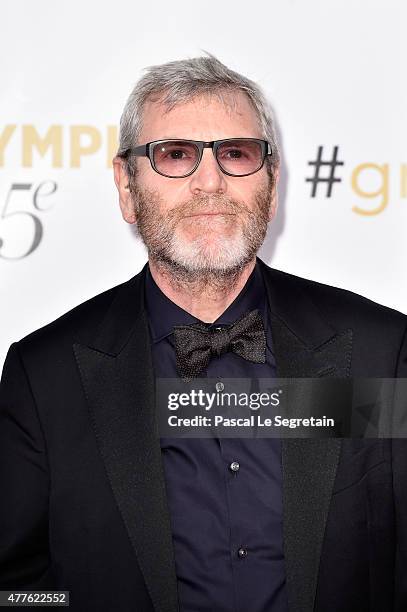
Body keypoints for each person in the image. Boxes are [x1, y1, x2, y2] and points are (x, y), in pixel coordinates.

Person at [0, 54, 406, 612]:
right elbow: (17, 588)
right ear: (126, 185)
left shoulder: (381, 351)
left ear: (272, 181)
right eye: (176, 156)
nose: (209, 182)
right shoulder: (44, 379)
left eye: (236, 154)